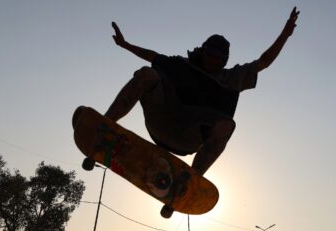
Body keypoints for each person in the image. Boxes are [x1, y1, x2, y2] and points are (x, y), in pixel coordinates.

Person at [105, 7, 300, 175]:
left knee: (227, 125)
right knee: (147, 73)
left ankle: (191, 178)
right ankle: (106, 124)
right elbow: (152, 56)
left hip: (187, 139)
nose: (214, 61)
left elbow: (263, 62)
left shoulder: (230, 78)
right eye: (211, 55)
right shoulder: (181, 64)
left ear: (225, 60)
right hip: (161, 120)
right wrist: (126, 45)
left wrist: (285, 34)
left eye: (220, 58)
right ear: (203, 51)